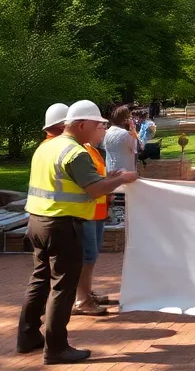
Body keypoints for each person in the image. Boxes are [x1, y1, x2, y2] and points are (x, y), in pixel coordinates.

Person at [17, 100, 138, 365]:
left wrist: (111, 175)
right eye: (98, 126)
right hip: (61, 225)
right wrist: (122, 178)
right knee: (63, 286)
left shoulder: (48, 147)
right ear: (80, 125)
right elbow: (95, 190)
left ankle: (27, 337)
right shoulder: (75, 152)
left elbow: (79, 181)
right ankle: (56, 348)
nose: (101, 131)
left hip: (37, 221)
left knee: (39, 280)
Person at [73, 118, 110, 317]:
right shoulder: (82, 152)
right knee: (87, 256)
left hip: (96, 211)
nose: (105, 131)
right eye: (101, 127)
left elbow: (97, 177)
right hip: (86, 211)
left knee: (92, 255)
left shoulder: (93, 150)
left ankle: (87, 292)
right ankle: (82, 298)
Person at [103, 106, 138, 173]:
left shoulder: (106, 133)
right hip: (125, 174)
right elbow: (138, 148)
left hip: (110, 172)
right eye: (130, 117)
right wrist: (133, 130)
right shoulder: (126, 134)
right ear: (126, 119)